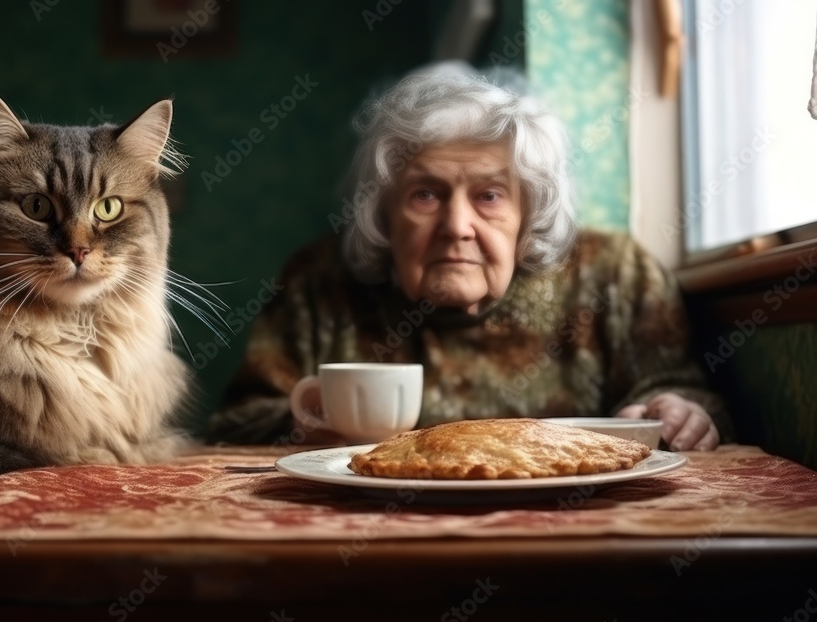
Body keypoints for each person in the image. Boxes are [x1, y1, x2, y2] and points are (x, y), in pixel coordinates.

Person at [205, 62, 732, 452]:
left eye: (489, 196)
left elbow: (679, 392)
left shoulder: (614, 275)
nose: (457, 227)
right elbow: (235, 425)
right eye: (426, 195)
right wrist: (320, 422)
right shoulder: (319, 282)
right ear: (384, 212)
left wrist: (681, 412)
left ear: (529, 210)